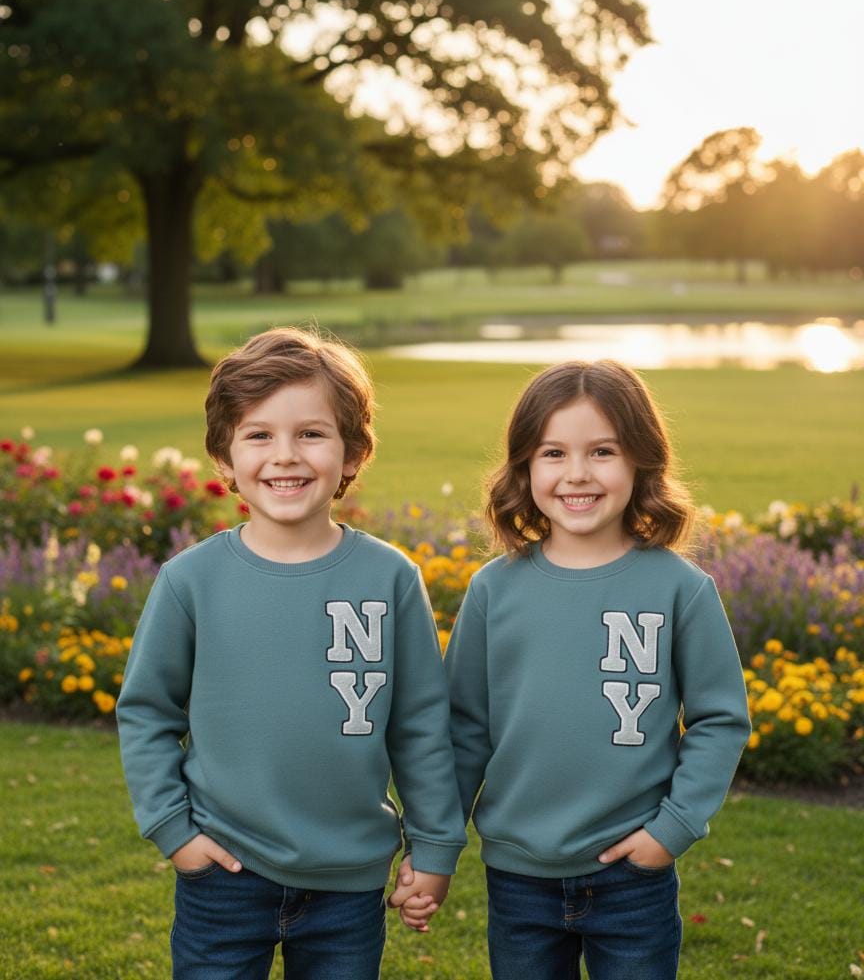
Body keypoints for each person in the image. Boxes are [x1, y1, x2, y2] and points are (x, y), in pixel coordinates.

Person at [116, 327, 465, 980]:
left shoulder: (390, 577)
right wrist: (174, 830)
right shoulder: (191, 582)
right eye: (259, 435)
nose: (286, 455)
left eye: (311, 433)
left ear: (353, 453)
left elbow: (420, 726)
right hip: (223, 871)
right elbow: (147, 713)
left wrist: (436, 844)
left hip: (349, 881)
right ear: (224, 459)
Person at [391, 359, 750, 979]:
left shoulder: (680, 589)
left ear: (641, 460)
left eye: (602, 450)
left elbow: (720, 720)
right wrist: (434, 853)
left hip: (633, 874)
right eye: (552, 452)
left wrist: (673, 828)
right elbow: (463, 730)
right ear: (524, 468)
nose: (577, 473)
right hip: (519, 876)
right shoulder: (492, 591)